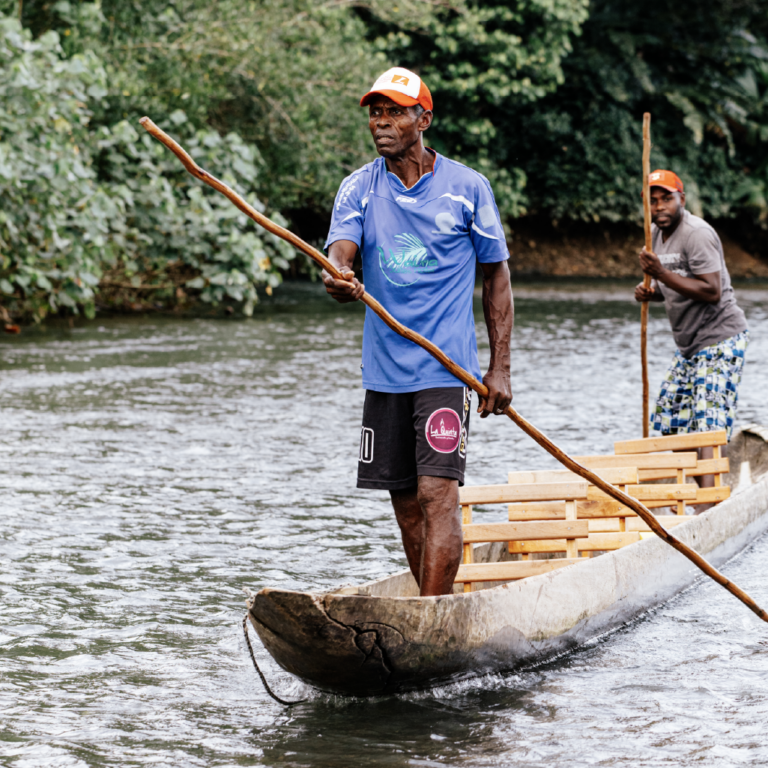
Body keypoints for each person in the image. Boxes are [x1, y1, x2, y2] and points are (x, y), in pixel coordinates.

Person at [322, 67, 513, 597]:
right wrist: (338, 276)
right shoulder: (359, 187)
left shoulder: (467, 188)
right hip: (384, 372)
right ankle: (433, 609)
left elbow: (496, 273)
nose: (381, 123)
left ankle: (431, 617)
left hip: (445, 367)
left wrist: (499, 366)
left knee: (437, 495)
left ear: (423, 119)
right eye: (375, 113)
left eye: (395, 112)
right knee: (405, 503)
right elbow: (341, 252)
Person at [634, 169, 749, 500]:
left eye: (667, 199)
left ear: (681, 199)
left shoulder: (696, 233)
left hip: (720, 339)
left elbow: (711, 290)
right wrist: (651, 292)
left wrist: (660, 274)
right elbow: (674, 287)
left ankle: (710, 504)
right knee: (673, 417)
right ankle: (700, 494)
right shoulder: (654, 235)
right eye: (653, 201)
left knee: (707, 422)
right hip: (688, 346)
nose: (660, 207)